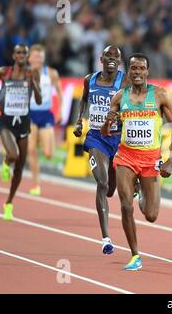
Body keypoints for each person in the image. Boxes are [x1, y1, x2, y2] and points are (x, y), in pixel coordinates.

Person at [101, 53, 172, 271]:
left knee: (151, 215)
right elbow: (105, 132)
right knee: (126, 206)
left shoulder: (159, 95)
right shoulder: (119, 96)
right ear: (129, 71)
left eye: (140, 69)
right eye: (133, 68)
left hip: (150, 159)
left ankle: (141, 190)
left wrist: (171, 160)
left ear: (147, 72)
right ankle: (135, 255)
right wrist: (108, 123)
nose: (136, 72)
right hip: (126, 156)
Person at [73, 45, 128, 255]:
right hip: (96, 138)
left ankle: (136, 186)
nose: (112, 59)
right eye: (108, 56)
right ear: (101, 58)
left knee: (112, 190)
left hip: (118, 138)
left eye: (116, 57)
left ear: (120, 61)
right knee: (102, 183)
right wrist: (80, 120)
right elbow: (84, 98)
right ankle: (105, 238)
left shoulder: (124, 81)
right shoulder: (90, 79)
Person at [0, 44, 42, 220]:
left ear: (27, 56)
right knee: (13, 155)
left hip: (23, 122)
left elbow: (39, 100)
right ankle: (6, 161)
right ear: (14, 55)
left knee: (20, 167)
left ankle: (9, 203)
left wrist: (33, 84)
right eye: (18, 53)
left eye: (24, 53)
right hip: (6, 121)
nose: (21, 55)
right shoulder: (4, 72)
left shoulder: (32, 73)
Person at [27, 44, 64, 196]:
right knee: (31, 150)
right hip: (29, 114)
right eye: (35, 56)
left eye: (40, 56)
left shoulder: (51, 73)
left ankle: (41, 141)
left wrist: (60, 111)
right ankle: (36, 184)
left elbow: (60, 92)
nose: (38, 59)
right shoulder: (24, 73)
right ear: (29, 58)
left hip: (45, 114)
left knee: (48, 153)